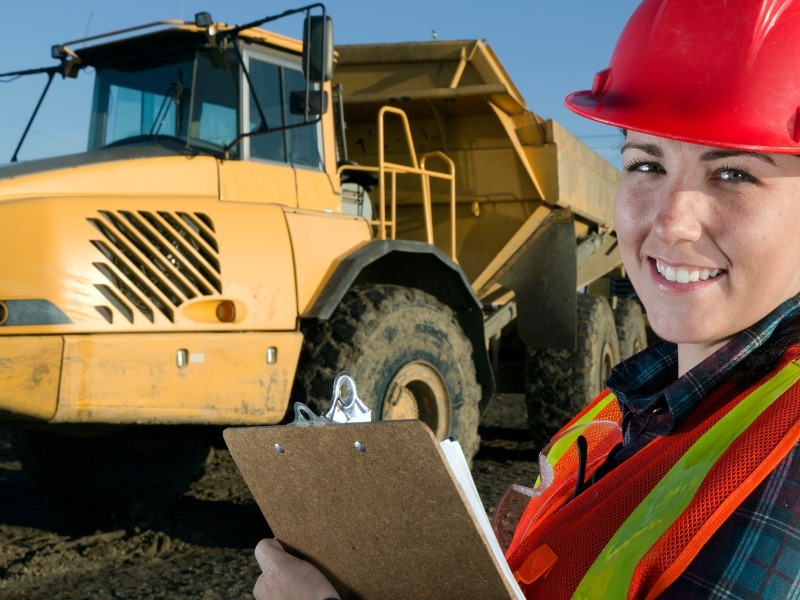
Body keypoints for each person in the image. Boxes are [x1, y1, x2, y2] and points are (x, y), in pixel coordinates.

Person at [252, 0, 800, 597]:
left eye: (734, 174)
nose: (670, 223)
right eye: (646, 165)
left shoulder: (783, 452)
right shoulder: (632, 411)